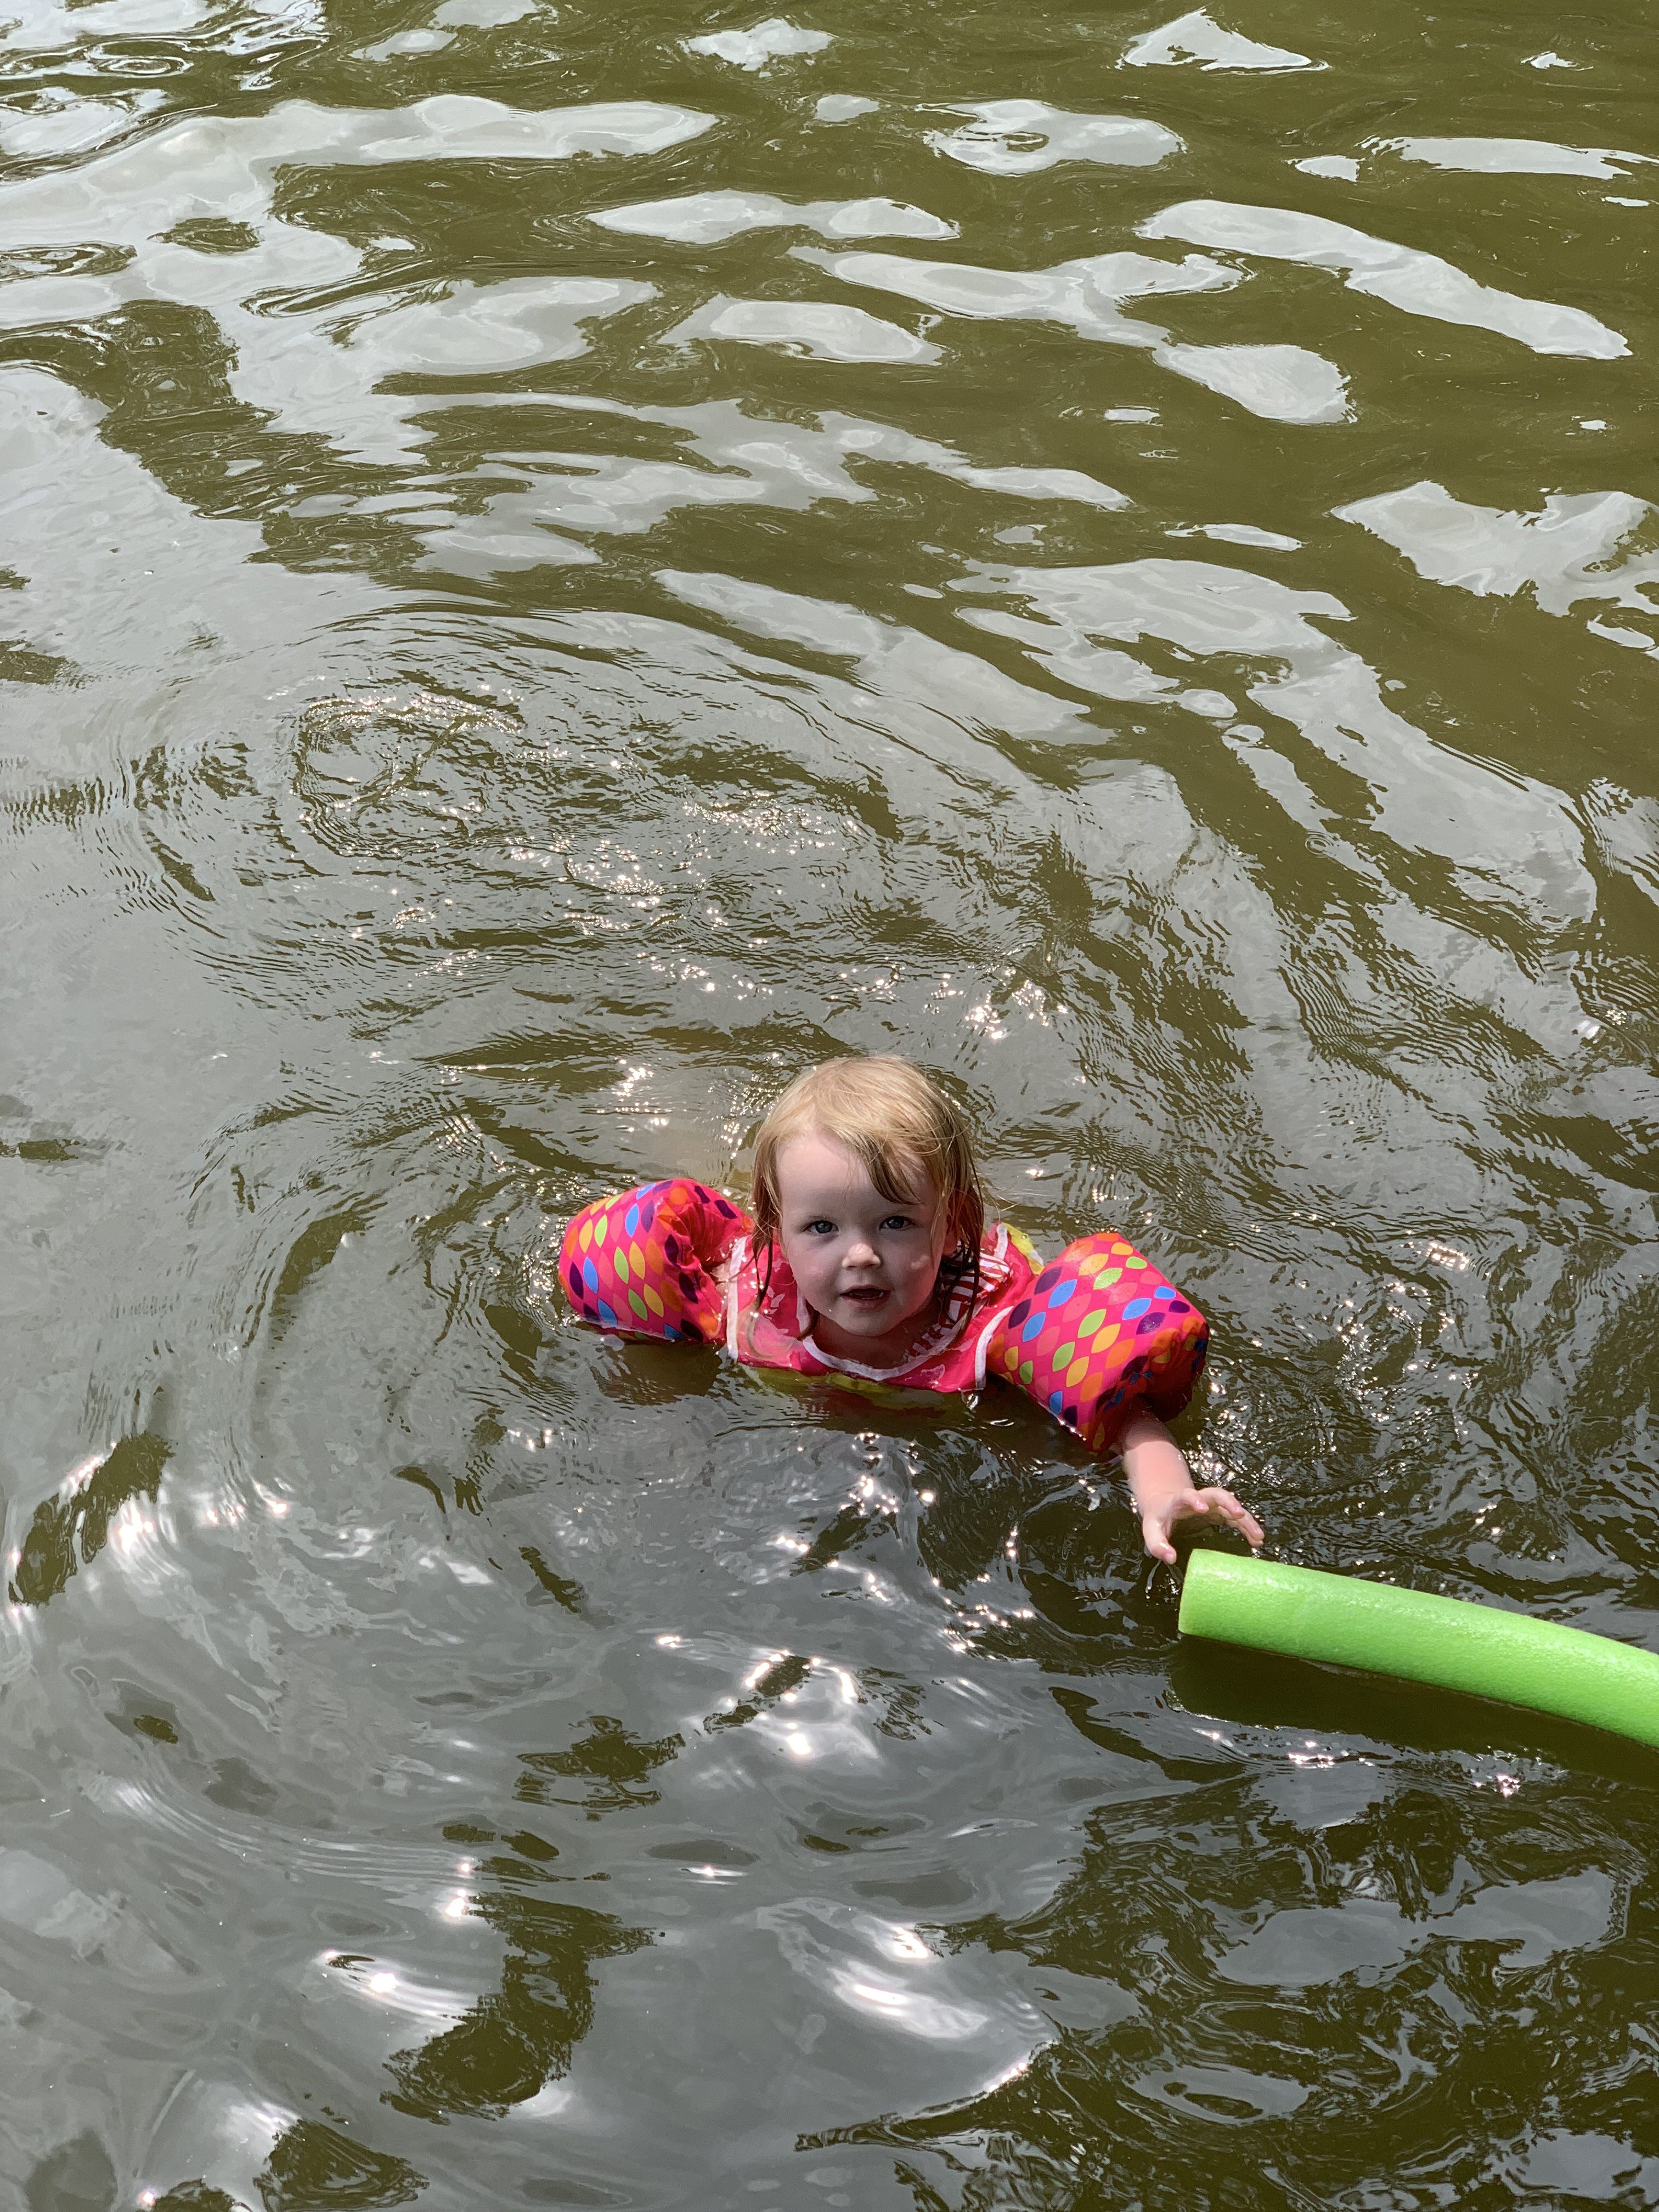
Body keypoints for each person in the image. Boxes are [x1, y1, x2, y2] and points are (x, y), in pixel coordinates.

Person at [560, 1055, 1261, 1564]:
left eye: (894, 1224)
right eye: (822, 1228)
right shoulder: (744, 1299)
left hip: (953, 1377)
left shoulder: (992, 1328)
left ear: (951, 1228)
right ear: (775, 1230)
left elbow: (1128, 1414)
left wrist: (1166, 1489)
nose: (859, 1255)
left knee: (1037, 1443)